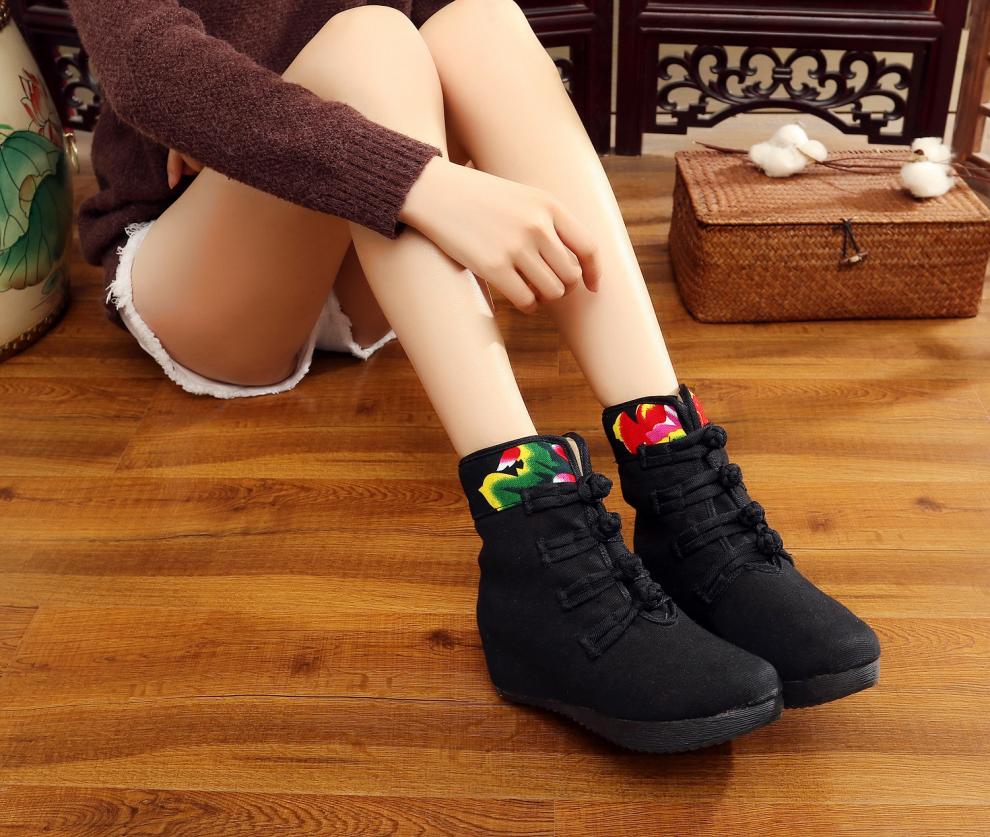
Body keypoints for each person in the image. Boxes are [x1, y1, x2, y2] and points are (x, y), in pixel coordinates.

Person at [68, 0, 880, 753]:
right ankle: (536, 544)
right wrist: (402, 172)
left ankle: (682, 491)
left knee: (475, 19)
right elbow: (147, 66)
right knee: (366, 39)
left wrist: (283, 117)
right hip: (211, 267)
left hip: (369, 252)